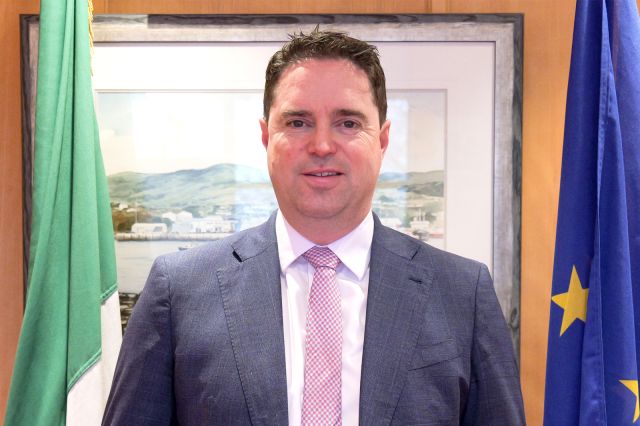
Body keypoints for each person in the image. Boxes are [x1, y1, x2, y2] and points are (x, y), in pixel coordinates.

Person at [103, 29, 525, 425]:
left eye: (348, 123)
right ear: (266, 137)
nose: (322, 145)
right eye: (298, 122)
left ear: (382, 140)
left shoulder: (463, 293)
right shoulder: (179, 291)